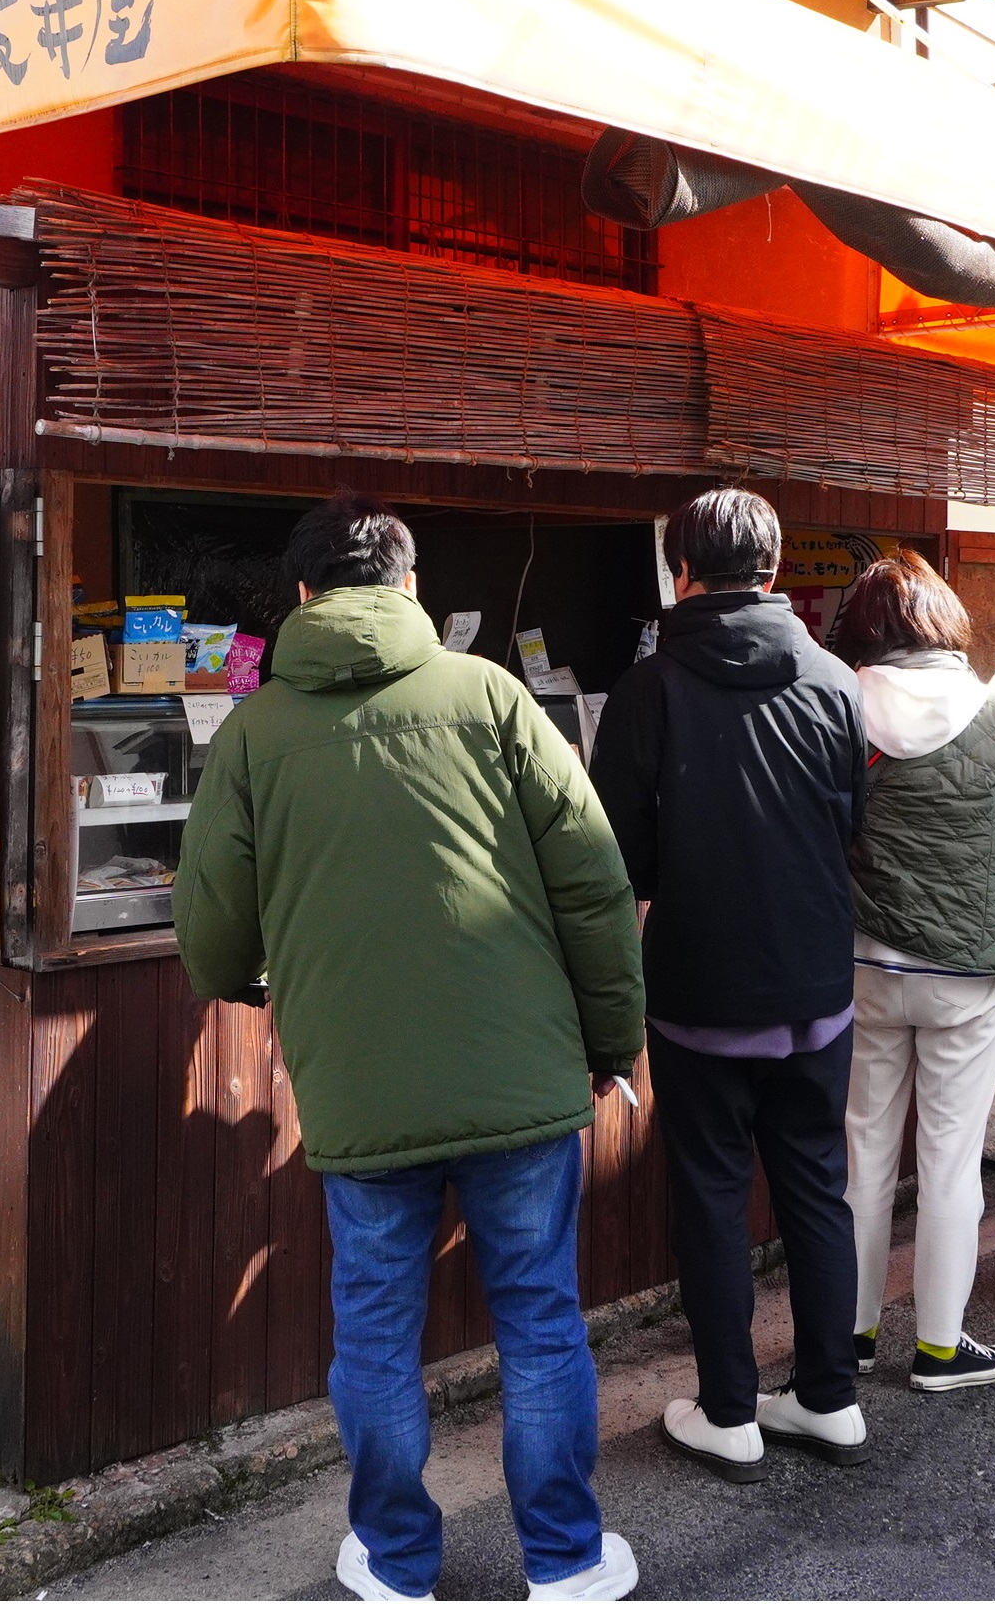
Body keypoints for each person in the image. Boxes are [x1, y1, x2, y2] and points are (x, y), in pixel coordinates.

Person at [173, 493, 646, 1603]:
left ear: (298, 596)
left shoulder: (252, 727)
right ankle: (567, 1561)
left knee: (375, 1326)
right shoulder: (489, 694)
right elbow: (590, 878)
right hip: (519, 1068)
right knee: (538, 1316)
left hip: (360, 1083)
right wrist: (614, 1036)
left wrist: (245, 981)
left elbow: (209, 925)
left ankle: (394, 1559)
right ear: (410, 584)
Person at [590, 488, 870, 1481]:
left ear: (679, 570)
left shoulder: (649, 687)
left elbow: (616, 855)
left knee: (710, 1196)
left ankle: (729, 1411)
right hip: (814, 981)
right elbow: (849, 823)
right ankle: (830, 1397)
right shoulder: (835, 679)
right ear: (775, 562)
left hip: (701, 986)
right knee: (814, 1188)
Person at [831, 555, 995, 1390]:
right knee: (951, 1161)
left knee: (863, 1154)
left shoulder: (840, 703)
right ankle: (938, 1345)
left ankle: (848, 1337)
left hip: (860, 959)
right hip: (964, 967)